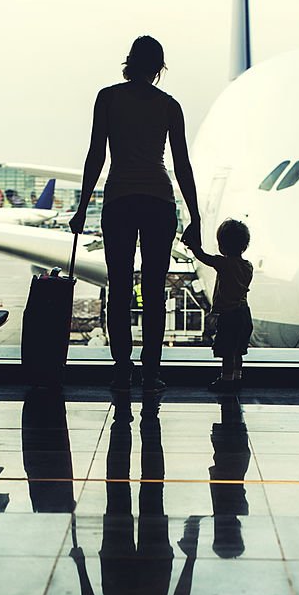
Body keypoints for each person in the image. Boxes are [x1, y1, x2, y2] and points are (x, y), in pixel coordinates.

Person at [70, 35, 201, 391]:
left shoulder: (108, 98)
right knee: (155, 290)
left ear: (128, 62)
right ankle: (151, 372)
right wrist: (195, 216)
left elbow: (96, 154)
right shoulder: (169, 106)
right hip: (159, 201)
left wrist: (82, 206)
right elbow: (182, 166)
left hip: (120, 201)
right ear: (159, 68)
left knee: (119, 286)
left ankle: (122, 368)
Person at [184, 219, 253, 393]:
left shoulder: (224, 264)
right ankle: (238, 378)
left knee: (228, 351)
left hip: (229, 315)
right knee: (238, 350)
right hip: (244, 313)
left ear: (222, 246)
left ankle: (226, 380)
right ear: (245, 245)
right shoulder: (248, 266)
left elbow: (202, 256)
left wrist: (192, 245)